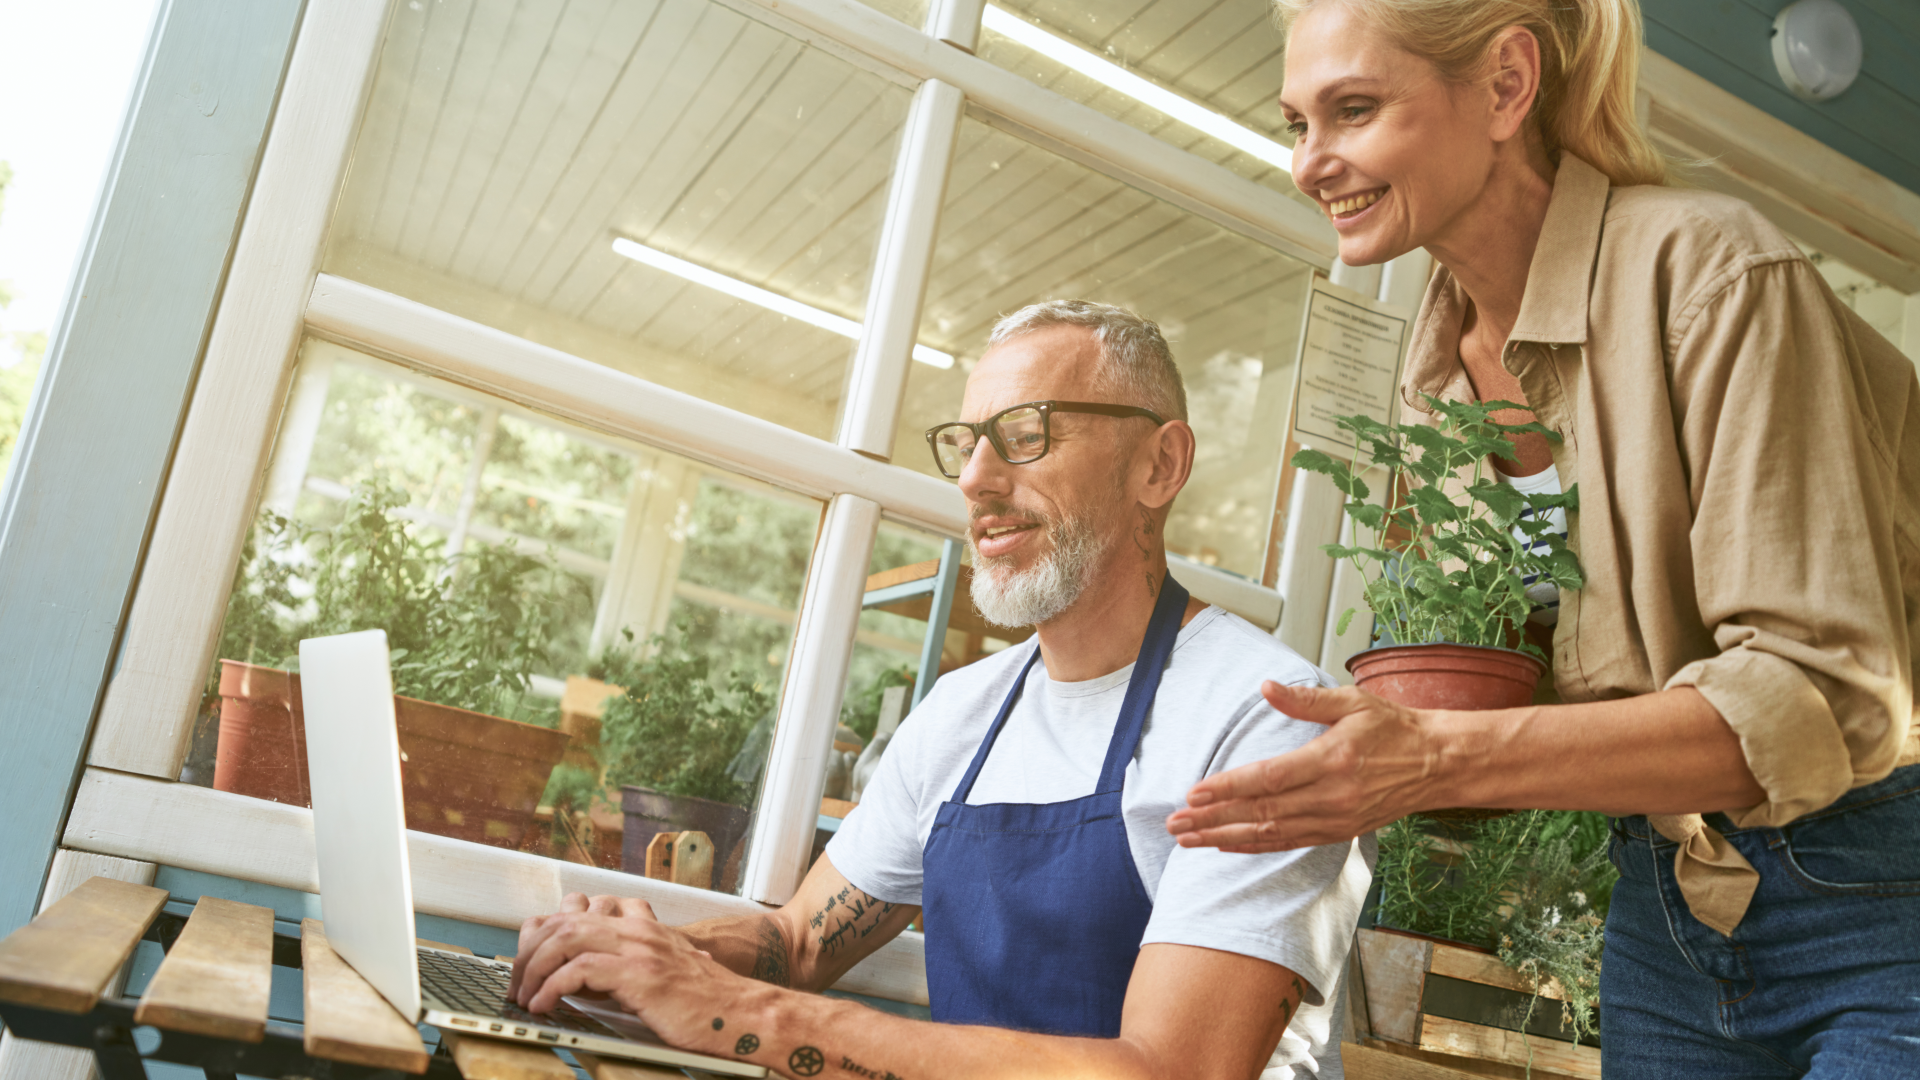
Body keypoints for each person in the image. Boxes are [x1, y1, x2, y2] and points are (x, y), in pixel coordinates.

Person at [1165, 0, 1920, 1075]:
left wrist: (1428, 757)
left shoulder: (1712, 274)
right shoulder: (1435, 389)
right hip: (1667, 902)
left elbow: (1821, 695)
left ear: (1508, 86)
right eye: (1297, 124)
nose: (1310, 163)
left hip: (1882, 878)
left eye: (1355, 109)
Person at [509, 301, 1374, 1079]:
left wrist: (737, 1012)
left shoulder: (1266, 720)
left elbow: (1168, 1071)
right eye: (967, 443)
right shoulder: (966, 711)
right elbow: (801, 939)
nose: (975, 480)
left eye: (1028, 433)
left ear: (1160, 464)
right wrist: (643, 953)